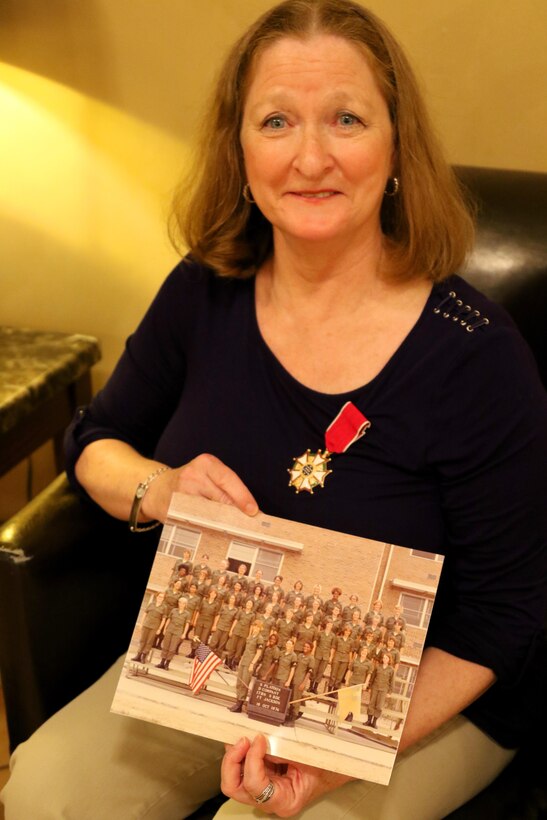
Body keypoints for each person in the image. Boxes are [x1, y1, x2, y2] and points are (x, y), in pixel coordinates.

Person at [2, 1, 545, 819]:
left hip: (415, 688)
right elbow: (94, 440)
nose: (310, 156)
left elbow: (507, 618)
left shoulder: (474, 352)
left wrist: (332, 742)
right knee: (45, 791)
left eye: (347, 119)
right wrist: (162, 487)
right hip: (217, 657)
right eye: (277, 121)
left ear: (396, 146)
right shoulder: (205, 290)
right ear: (240, 149)